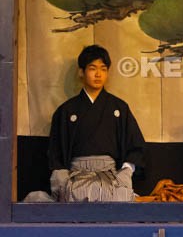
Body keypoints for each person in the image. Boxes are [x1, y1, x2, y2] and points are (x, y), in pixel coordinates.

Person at [29, 44, 146, 203]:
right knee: (60, 199)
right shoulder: (66, 110)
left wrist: (125, 171)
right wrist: (62, 177)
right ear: (81, 72)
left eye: (103, 69)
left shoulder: (119, 108)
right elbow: (56, 153)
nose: (98, 74)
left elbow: (135, 145)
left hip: (110, 176)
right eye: (92, 68)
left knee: (121, 199)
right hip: (76, 176)